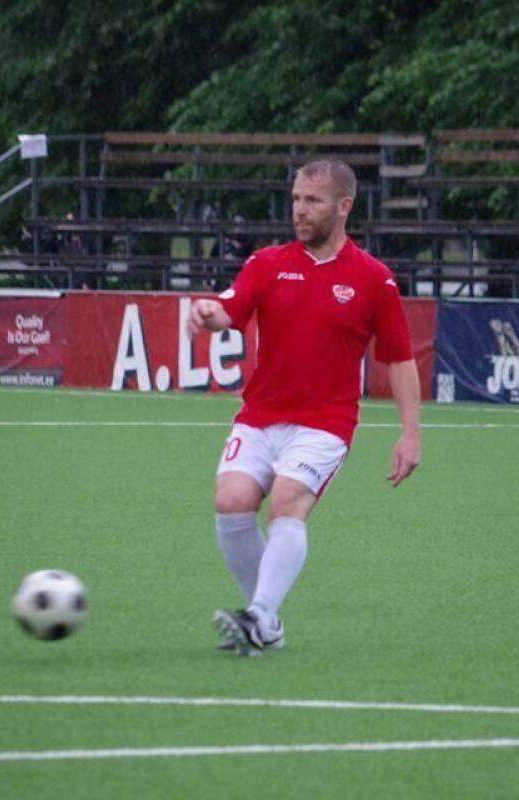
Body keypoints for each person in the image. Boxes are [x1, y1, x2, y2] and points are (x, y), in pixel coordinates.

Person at [186, 158, 421, 656]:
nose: (299, 209)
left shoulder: (374, 279)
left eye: (312, 200)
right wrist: (207, 311)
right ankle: (265, 621)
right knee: (231, 501)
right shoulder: (267, 263)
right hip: (260, 415)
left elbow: (400, 360)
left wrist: (410, 433)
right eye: (296, 199)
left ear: (343, 206)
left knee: (287, 500)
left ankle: (258, 616)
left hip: (325, 423)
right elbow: (228, 311)